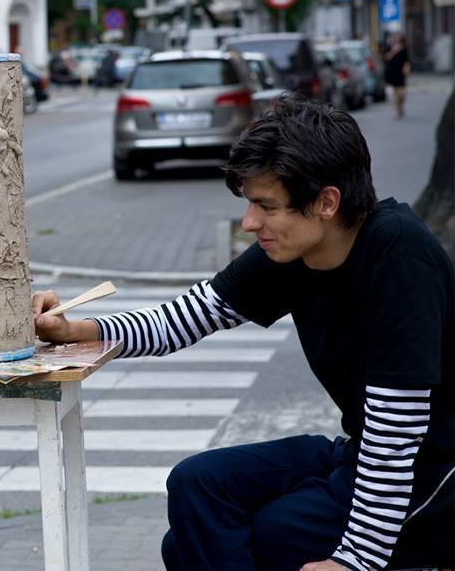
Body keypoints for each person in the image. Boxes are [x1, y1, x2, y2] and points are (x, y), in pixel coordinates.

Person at [33, 97, 453, 571]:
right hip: (358, 456)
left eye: (265, 205)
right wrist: (75, 331)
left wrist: (357, 559)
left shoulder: (399, 258)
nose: (250, 223)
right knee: (195, 484)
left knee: (241, 539)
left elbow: (396, 437)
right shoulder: (294, 248)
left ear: (326, 202)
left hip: (433, 480)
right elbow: (185, 318)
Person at [383, 32, 410, 119]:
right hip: (392, 72)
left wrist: (407, 68)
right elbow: (387, 57)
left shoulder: (404, 48)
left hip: (400, 72)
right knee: (395, 93)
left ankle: (400, 106)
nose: (397, 38)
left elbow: (407, 60)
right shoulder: (390, 47)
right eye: (396, 37)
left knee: (401, 93)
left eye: (399, 36)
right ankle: (397, 110)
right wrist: (394, 50)